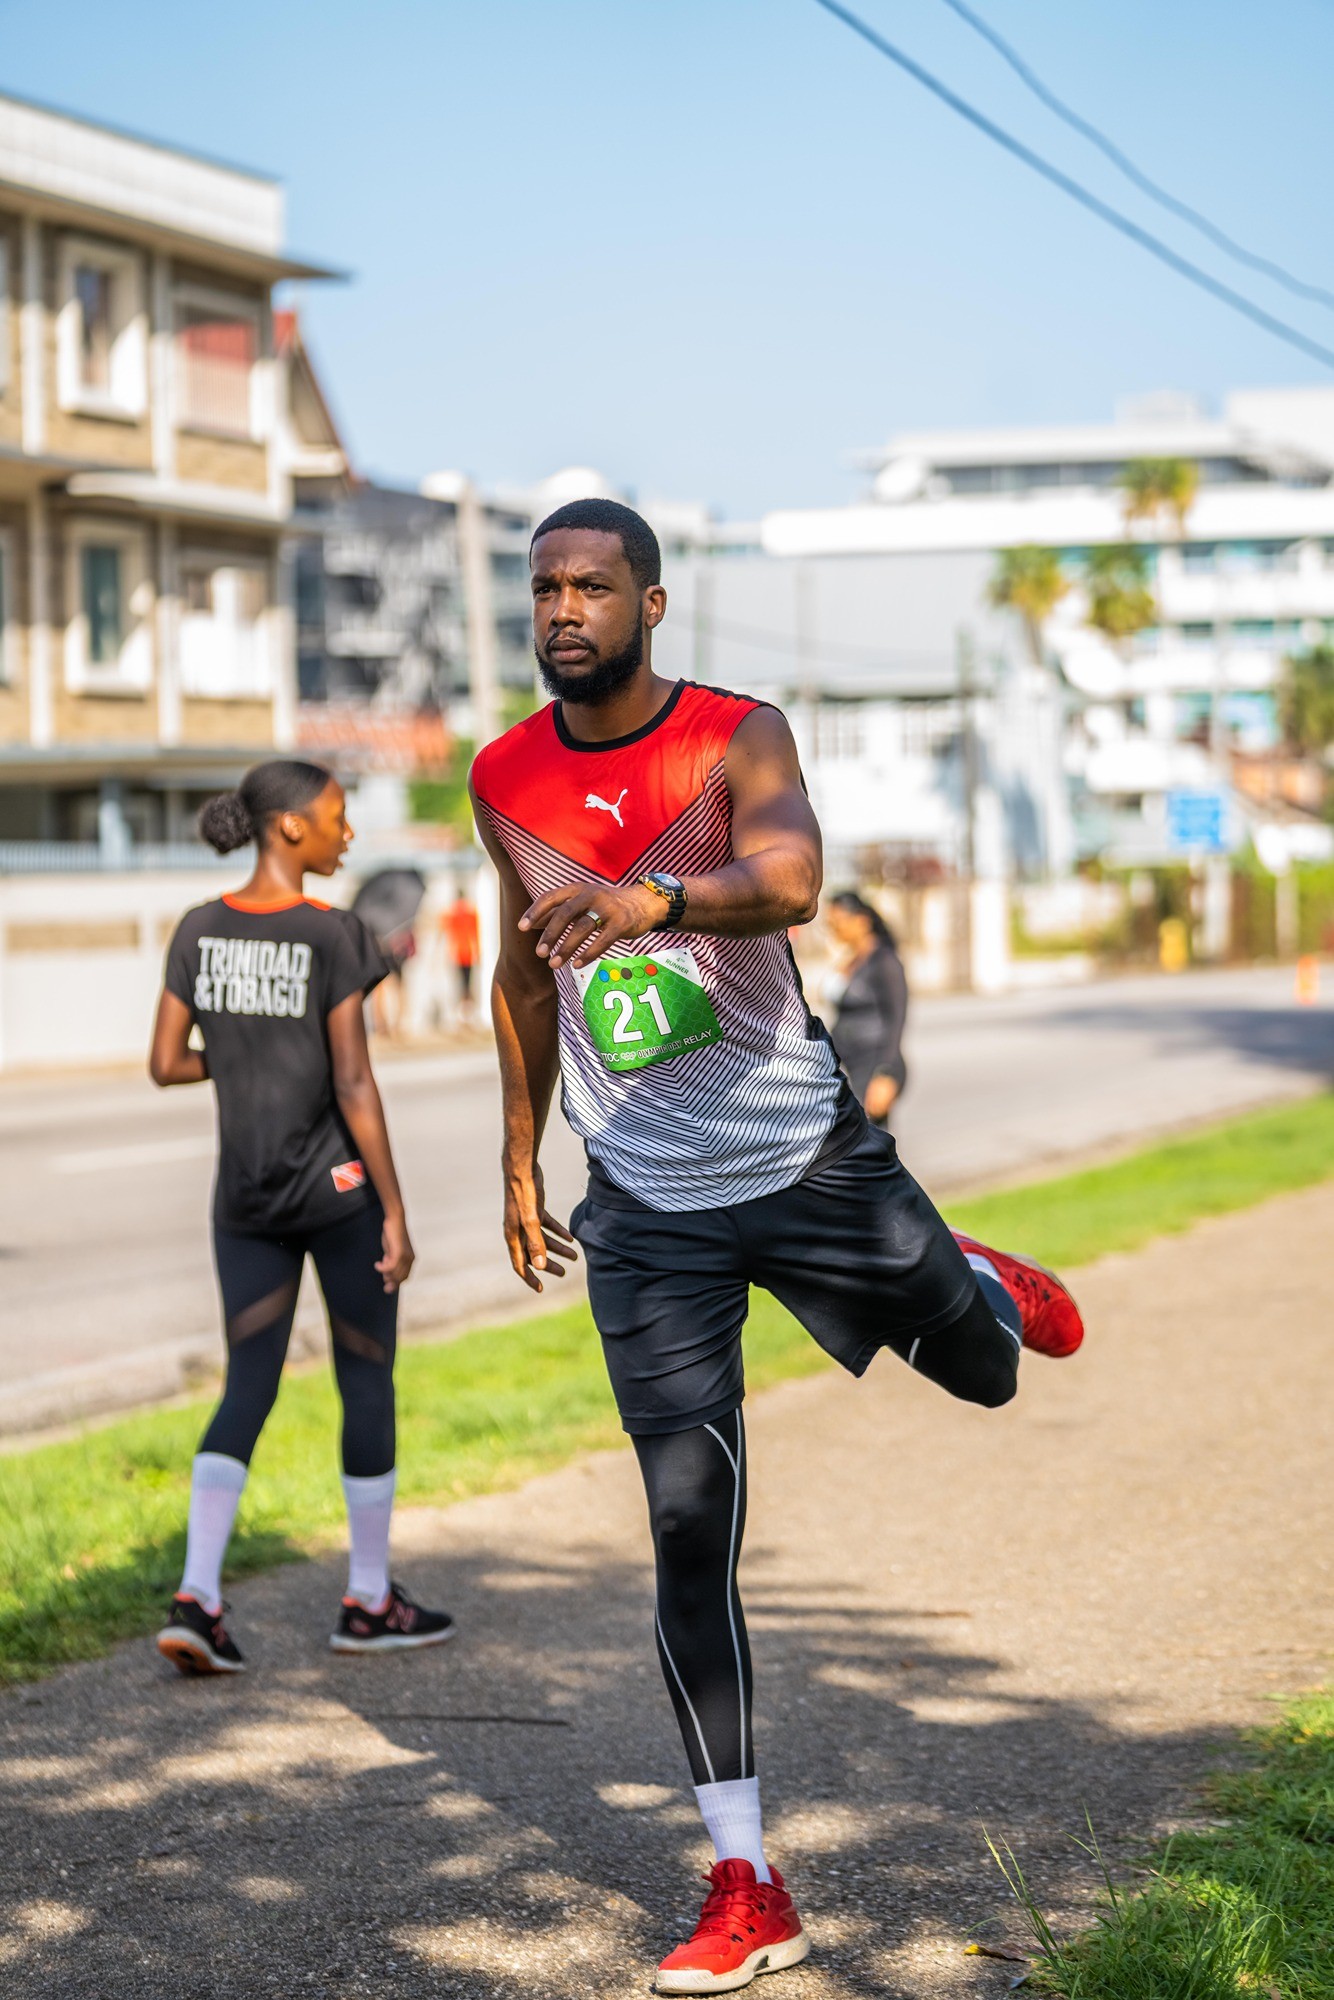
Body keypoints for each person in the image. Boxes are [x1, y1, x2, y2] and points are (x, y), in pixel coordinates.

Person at [470, 498, 1084, 1995]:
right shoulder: (502, 776)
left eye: (591, 586)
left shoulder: (734, 735)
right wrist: (518, 1152)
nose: (562, 610)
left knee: (988, 1376)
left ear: (648, 604)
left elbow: (794, 880)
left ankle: (973, 1276)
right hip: (646, 1207)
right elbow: (523, 973)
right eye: (543, 587)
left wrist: (653, 898)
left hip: (808, 1163)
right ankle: (744, 1877)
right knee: (689, 1526)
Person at [150, 758, 452, 1675]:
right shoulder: (332, 932)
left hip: (243, 1202)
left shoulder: (198, 929)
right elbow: (354, 1081)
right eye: (336, 816)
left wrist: (242, 1057)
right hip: (336, 1196)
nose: (346, 833)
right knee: (366, 1379)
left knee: (247, 1385)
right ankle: (367, 1600)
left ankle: (197, 1598)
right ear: (290, 827)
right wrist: (395, 1210)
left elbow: (166, 1062)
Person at [826, 889, 908, 1126]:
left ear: (861, 920)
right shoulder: (850, 960)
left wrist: (885, 1074)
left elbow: (897, 1018)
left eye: (838, 922)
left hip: (874, 1064)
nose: (833, 929)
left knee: (869, 1136)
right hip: (846, 1064)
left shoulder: (885, 961)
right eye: (829, 924)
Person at [441, 885, 481, 1025]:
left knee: (460, 983)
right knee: (467, 983)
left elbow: (447, 932)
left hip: (458, 952)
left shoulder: (452, 914)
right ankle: (467, 1012)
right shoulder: (471, 913)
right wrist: (477, 952)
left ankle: (464, 1013)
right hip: (468, 952)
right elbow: (475, 934)